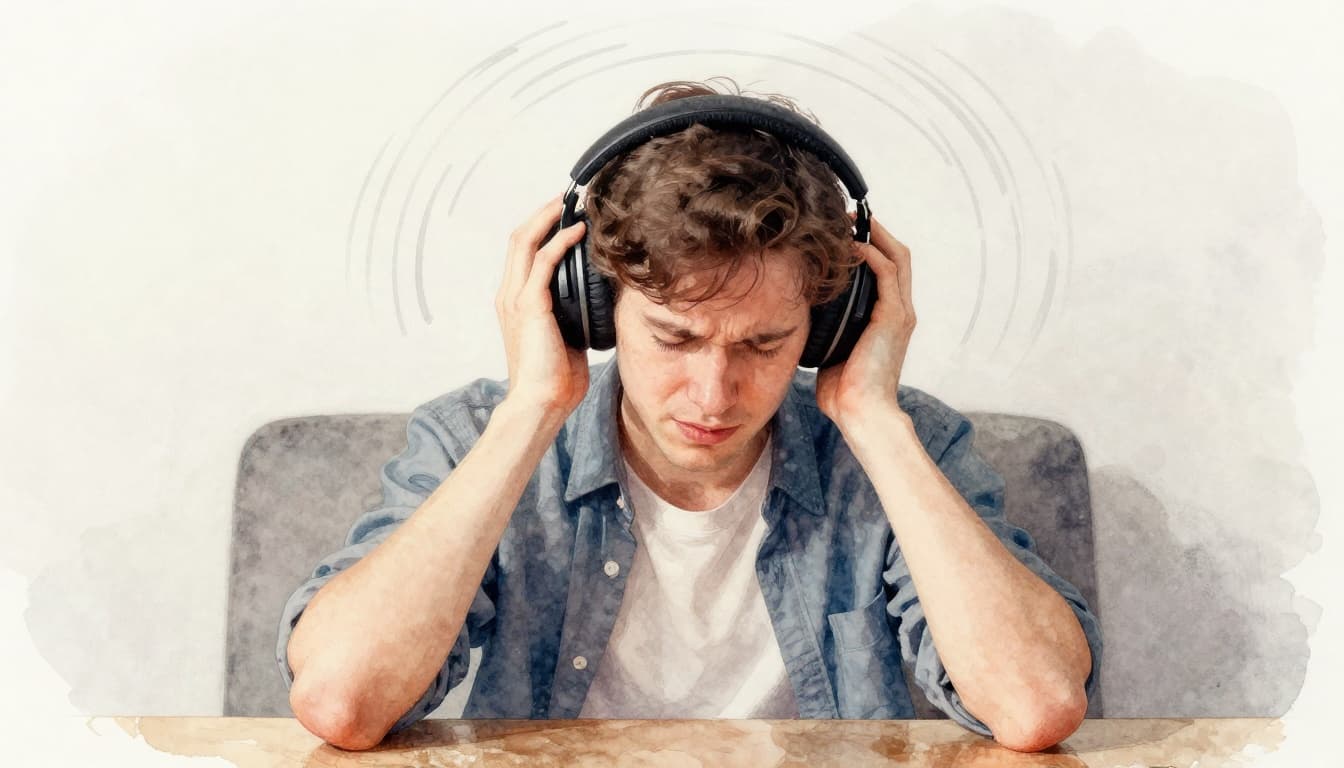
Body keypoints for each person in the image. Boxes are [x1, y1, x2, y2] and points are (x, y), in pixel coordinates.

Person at [276, 78, 1102, 753]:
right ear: (591, 308)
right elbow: (343, 700)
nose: (713, 394)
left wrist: (876, 423)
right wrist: (532, 409)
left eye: (763, 344)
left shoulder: (901, 445)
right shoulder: (478, 439)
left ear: (830, 322)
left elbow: (1035, 705)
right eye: (674, 337)